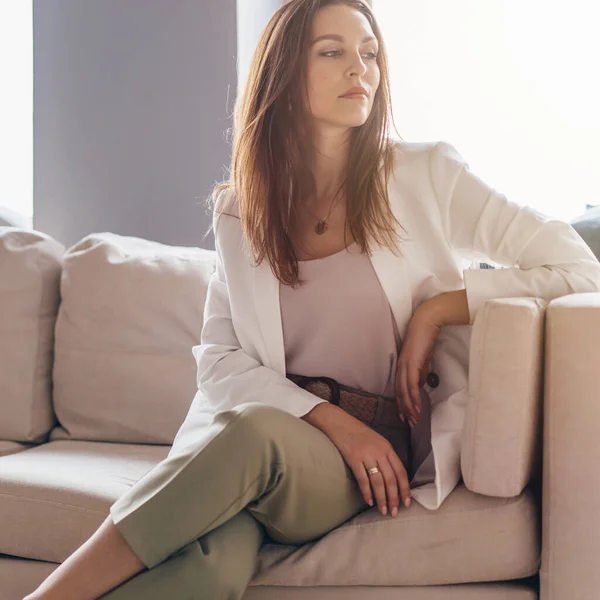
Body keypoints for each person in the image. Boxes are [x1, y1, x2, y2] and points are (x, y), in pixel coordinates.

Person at [24, 1, 600, 599]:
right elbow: (218, 360)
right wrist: (327, 421)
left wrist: (441, 308)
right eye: (333, 53)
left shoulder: (423, 175)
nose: (361, 69)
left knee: (252, 435)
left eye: (370, 53)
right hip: (281, 446)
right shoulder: (239, 211)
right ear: (285, 74)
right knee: (209, 572)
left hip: (366, 462)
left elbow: (575, 265)